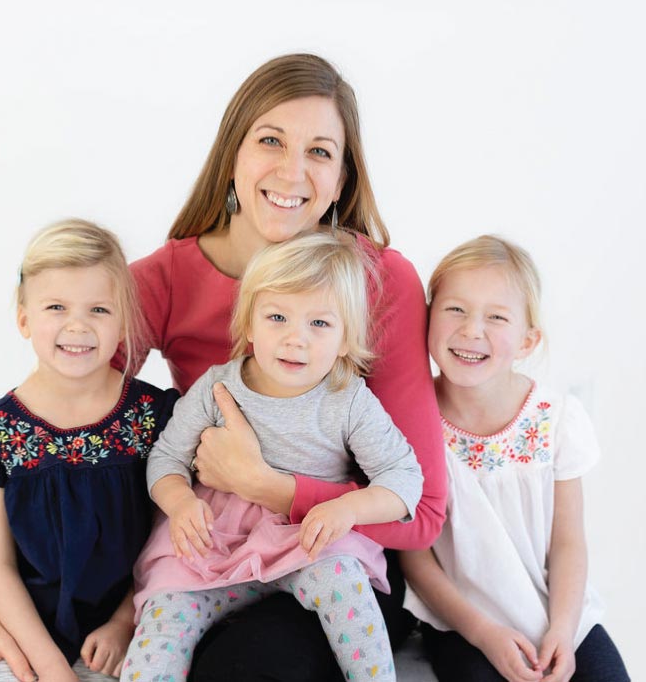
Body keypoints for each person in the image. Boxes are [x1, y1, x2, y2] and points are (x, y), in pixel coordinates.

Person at [0, 54, 447, 682]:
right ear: (232, 156)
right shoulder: (163, 280)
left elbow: (423, 510)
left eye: (320, 151)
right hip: (208, 546)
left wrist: (275, 488)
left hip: (331, 555)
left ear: (344, 177)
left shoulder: (382, 282)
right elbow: (46, 423)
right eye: (271, 140)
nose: (292, 171)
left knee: (253, 669)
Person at [122, 232, 423, 682]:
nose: (295, 339)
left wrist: (348, 507)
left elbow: (403, 478)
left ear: (346, 339)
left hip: (306, 538)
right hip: (216, 542)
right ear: (248, 325)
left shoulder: (348, 400)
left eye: (319, 324)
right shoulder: (217, 386)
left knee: (346, 586)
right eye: (277, 317)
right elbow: (166, 458)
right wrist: (181, 503)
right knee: (165, 615)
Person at [0, 220, 179, 682]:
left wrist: (122, 623)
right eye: (56, 307)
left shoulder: (154, 415)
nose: (78, 325)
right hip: (28, 623)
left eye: (98, 309)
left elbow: (164, 540)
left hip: (135, 611)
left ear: (125, 321)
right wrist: (52, 667)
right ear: (25, 318)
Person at [400, 235, 630, 682]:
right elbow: (415, 557)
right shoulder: (410, 418)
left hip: (556, 613)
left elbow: (568, 543)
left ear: (527, 340)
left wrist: (563, 629)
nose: (471, 330)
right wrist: (482, 632)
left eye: (497, 317)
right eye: (455, 309)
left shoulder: (556, 418)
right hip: (462, 624)